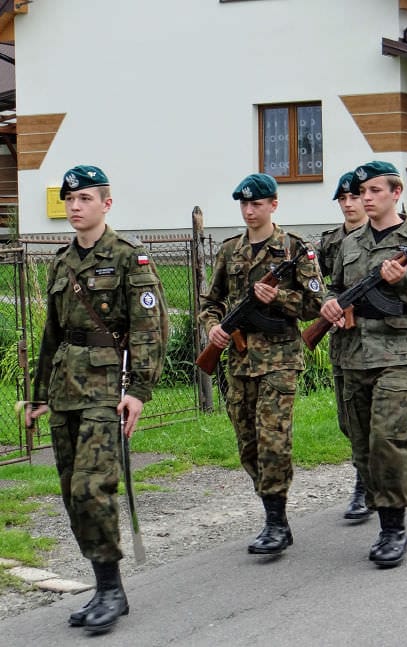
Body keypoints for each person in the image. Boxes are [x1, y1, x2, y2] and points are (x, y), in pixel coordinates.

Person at [26, 165, 168, 633]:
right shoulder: (62, 262)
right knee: (72, 494)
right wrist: (38, 393)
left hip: (108, 389)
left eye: (84, 199)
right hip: (66, 389)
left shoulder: (130, 257)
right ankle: (105, 583)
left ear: (106, 204)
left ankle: (110, 590)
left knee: (93, 487)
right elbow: (51, 332)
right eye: (69, 200)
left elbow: (150, 330)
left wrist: (140, 392)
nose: (74, 207)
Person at [319, 161, 407, 568]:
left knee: (388, 440)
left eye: (375, 190)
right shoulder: (348, 243)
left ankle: (393, 527)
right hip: (351, 352)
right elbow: (333, 285)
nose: (366, 198)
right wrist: (329, 303)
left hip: (400, 352)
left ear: (396, 193)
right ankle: (379, 511)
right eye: (362, 192)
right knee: (361, 443)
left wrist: (403, 282)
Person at [199, 173, 324, 556]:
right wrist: (213, 329)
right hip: (238, 362)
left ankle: (275, 520)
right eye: (244, 204)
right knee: (248, 445)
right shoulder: (229, 250)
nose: (250, 210)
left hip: (280, 360)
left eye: (257, 204)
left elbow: (318, 306)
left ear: (274, 205)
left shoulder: (295, 250)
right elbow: (210, 302)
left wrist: (280, 298)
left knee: (274, 440)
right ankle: (274, 514)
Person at [317, 171, 373, 520]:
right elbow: (320, 286)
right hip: (344, 340)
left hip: (381, 341)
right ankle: (363, 476)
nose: (349, 204)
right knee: (347, 419)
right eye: (343, 199)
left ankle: (368, 483)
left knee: (378, 422)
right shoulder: (329, 243)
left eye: (355, 197)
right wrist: (327, 303)